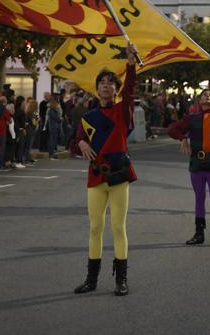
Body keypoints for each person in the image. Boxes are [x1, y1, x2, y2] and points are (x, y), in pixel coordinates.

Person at [73, 43, 137, 296]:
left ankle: (121, 279)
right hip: (96, 175)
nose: (106, 85)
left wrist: (131, 64)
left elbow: (131, 89)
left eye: (111, 82)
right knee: (95, 228)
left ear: (116, 89)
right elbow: (74, 141)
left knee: (118, 228)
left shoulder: (123, 111)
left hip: (119, 175)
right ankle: (92, 280)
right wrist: (79, 142)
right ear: (97, 87)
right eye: (102, 82)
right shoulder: (87, 117)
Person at [167, 63, 210, 248]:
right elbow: (171, 129)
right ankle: (199, 234)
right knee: (199, 198)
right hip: (196, 163)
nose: (208, 96)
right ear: (199, 100)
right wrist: (182, 138)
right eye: (204, 94)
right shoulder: (191, 118)